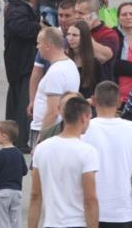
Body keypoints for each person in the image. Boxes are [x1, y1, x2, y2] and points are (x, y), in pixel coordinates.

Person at [28, 96, 99, 228]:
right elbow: (90, 199)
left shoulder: (42, 148)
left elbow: (35, 195)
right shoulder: (87, 151)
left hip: (51, 223)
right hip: (77, 223)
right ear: (84, 117)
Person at [82, 81, 132, 228]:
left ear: (93, 100)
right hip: (122, 213)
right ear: (119, 102)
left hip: (89, 213)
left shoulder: (84, 128)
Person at [3, 0, 41, 151]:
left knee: (18, 99)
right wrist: (40, 27)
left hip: (19, 61)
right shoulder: (17, 8)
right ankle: (21, 140)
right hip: (21, 62)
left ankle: (13, 136)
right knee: (23, 102)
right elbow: (20, 29)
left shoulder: (21, 7)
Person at [29, 27, 81, 151]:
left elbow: (53, 112)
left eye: (39, 43)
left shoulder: (55, 73)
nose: (37, 47)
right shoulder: (70, 64)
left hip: (49, 130)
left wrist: (42, 138)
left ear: (47, 46)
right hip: (60, 128)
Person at [0, 121, 27, 228]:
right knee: (16, 220)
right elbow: (24, 171)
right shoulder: (19, 153)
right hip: (17, 191)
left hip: (2, 191)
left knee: (2, 221)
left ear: (4, 137)